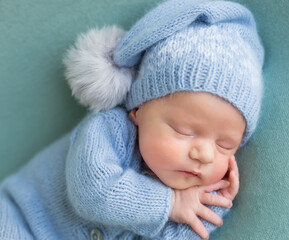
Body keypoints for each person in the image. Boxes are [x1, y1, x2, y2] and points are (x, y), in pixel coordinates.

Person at [0, 0, 264, 239]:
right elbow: (92, 193)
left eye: (225, 145)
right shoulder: (108, 129)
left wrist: (206, 211)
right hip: (18, 219)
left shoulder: (195, 194)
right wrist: (170, 204)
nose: (204, 154)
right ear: (138, 110)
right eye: (183, 130)